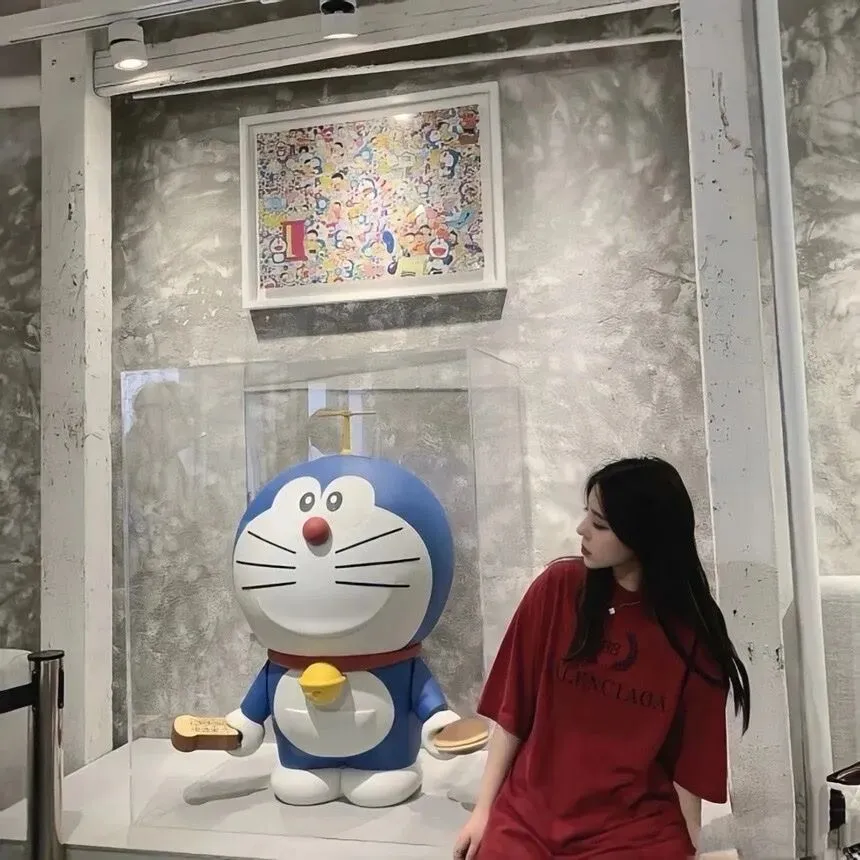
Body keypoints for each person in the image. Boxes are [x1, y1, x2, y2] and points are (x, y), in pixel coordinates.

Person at [453, 457, 750, 860]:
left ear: (644, 535)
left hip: (631, 831)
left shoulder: (692, 634)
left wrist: (690, 846)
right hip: (529, 816)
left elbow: (690, 764)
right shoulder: (557, 590)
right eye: (587, 515)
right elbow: (512, 715)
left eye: (600, 524)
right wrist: (482, 812)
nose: (582, 530)